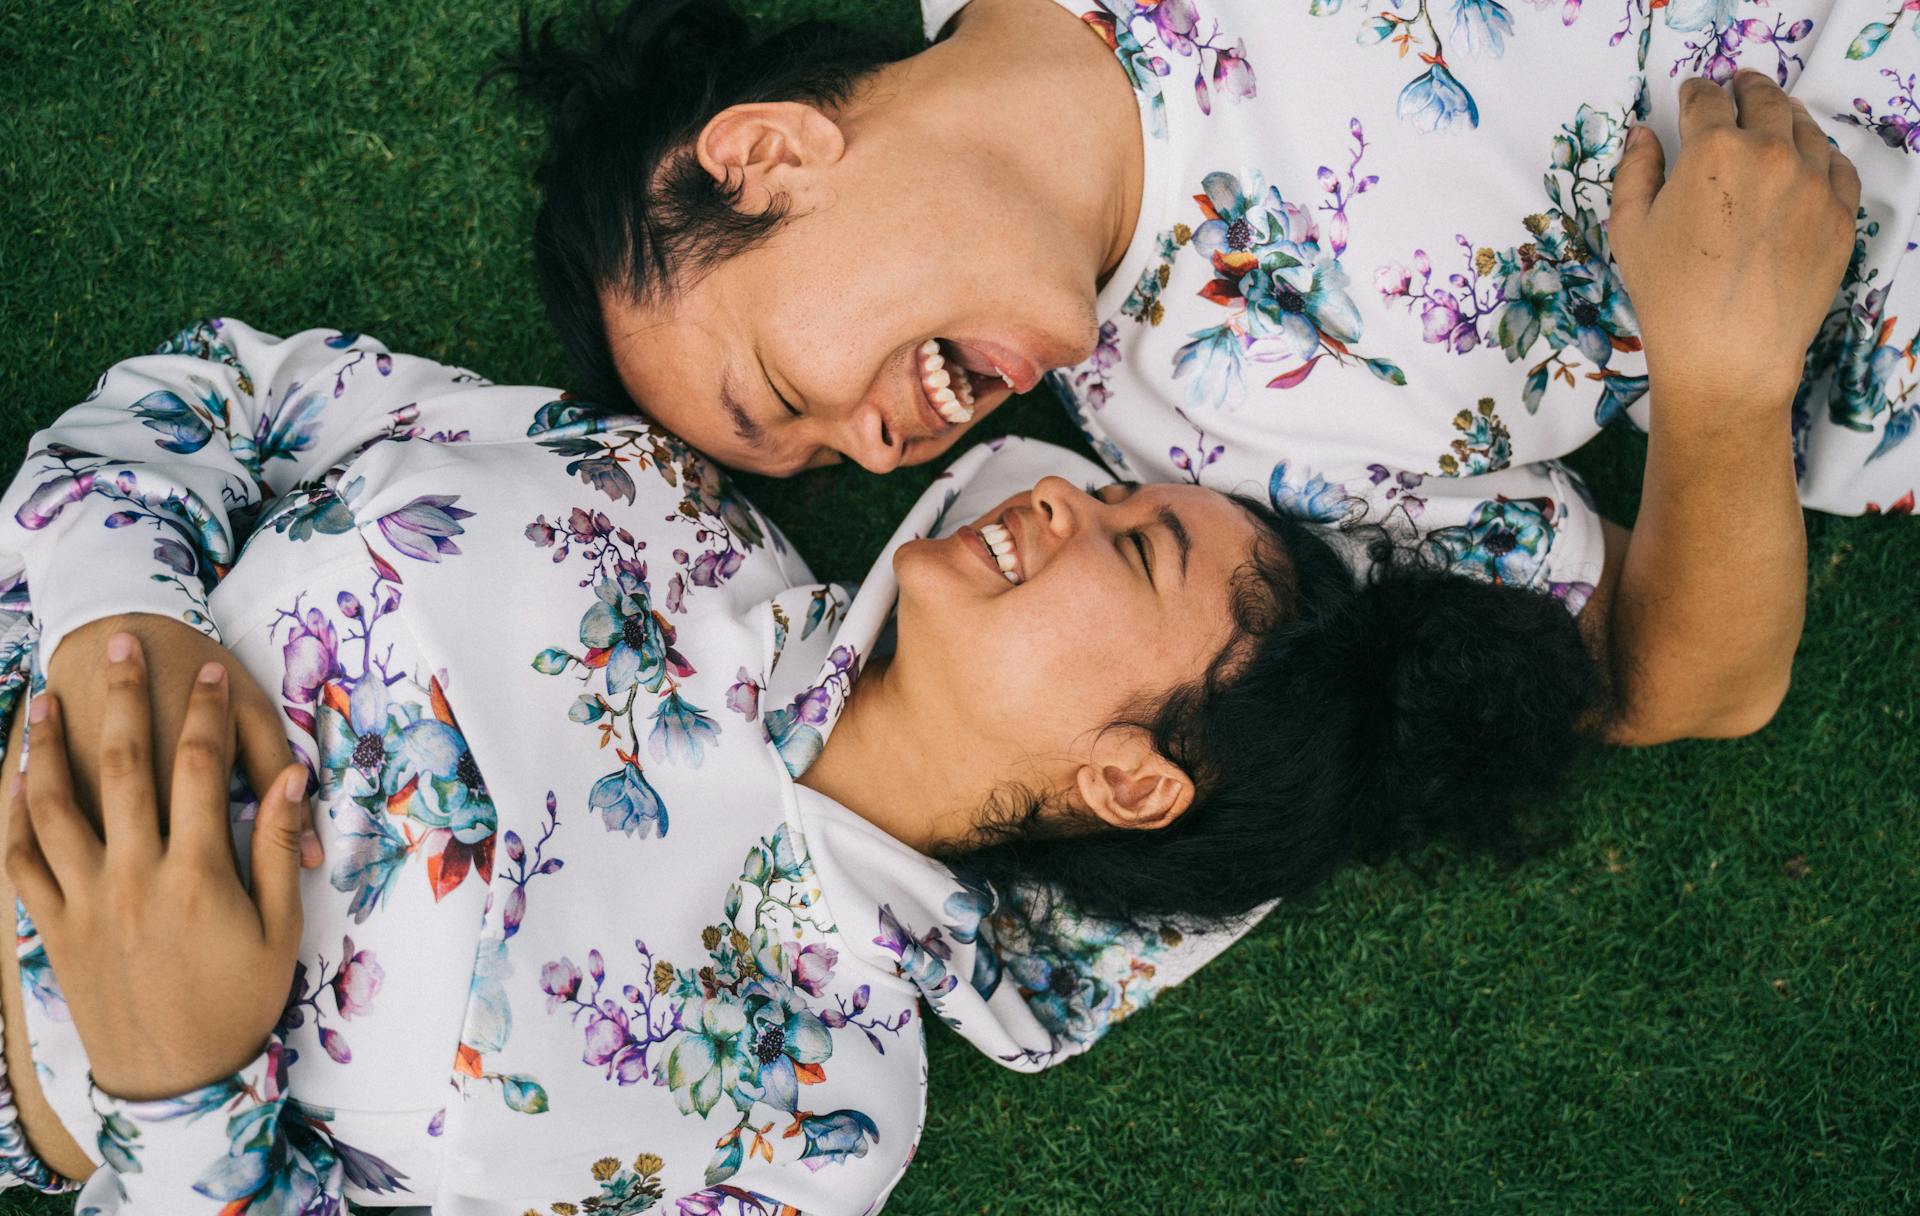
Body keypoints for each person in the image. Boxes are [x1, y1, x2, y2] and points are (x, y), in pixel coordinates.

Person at [0, 321, 1597, 1210]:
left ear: (1135, 777)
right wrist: (109, 628)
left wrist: (179, 1088)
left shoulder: (819, 1117)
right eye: (1112, 493)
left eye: (1137, 545)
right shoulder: (658, 498)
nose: (1066, 500)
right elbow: (225, 397)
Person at [507, 0, 1895, 743]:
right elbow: (1673, 687)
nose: (870, 447)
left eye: (776, 394)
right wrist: (1726, 383)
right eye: (824, 461)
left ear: (768, 156)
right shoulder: (1226, 448)